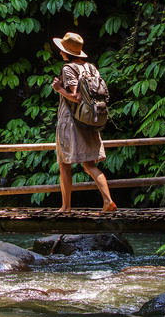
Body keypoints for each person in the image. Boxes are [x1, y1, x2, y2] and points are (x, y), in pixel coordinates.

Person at [50, 32, 116, 213]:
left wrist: (59, 89)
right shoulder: (91, 68)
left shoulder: (68, 68)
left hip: (72, 120)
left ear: (66, 52)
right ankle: (108, 200)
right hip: (90, 119)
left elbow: (77, 97)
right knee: (90, 165)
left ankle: (65, 207)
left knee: (64, 164)